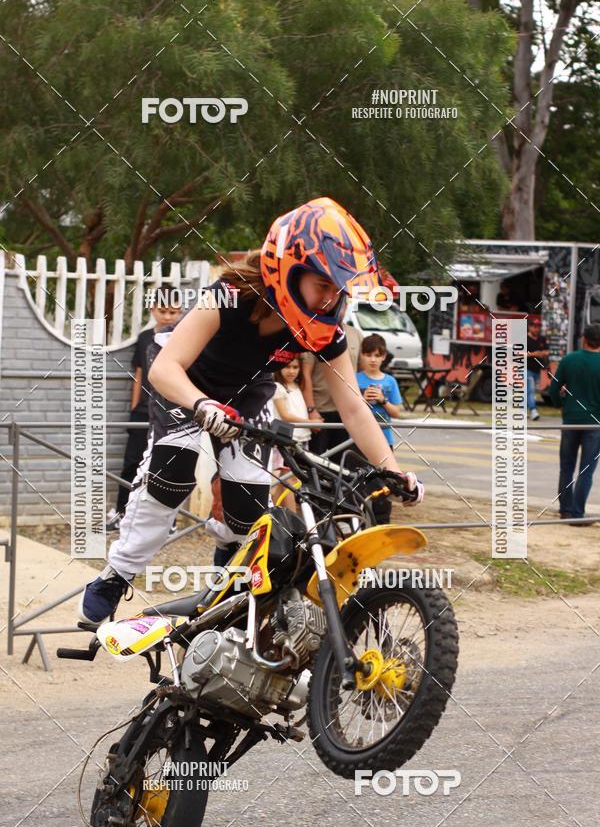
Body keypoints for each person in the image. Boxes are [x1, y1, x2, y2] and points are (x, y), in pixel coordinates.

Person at [79, 197, 424, 626]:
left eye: (339, 288)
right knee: (175, 469)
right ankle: (117, 574)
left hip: (246, 395)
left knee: (247, 502)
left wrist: (393, 471)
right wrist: (201, 404)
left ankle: (227, 574)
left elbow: (353, 406)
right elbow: (165, 368)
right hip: (186, 383)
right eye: (323, 285)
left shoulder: (325, 330)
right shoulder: (227, 297)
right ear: (288, 268)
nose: (330, 298)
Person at [106, 295, 182, 531]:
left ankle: (168, 521)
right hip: (143, 410)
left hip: (173, 411)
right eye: (163, 310)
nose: (167, 316)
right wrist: (134, 406)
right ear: (152, 309)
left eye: (173, 312)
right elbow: (138, 374)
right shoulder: (144, 338)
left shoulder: (184, 338)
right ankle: (121, 512)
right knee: (131, 462)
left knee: (168, 466)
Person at [550, 323, 600, 525]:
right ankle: (578, 514)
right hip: (595, 424)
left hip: (570, 420)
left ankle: (565, 510)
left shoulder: (569, 359)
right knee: (586, 470)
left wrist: (561, 405)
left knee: (566, 467)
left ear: (583, 339)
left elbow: (554, 388)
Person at [301, 321, 361, 457]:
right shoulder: (315, 331)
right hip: (320, 409)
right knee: (315, 460)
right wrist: (311, 409)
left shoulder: (355, 333)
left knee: (340, 462)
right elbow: (305, 374)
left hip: (345, 410)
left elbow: (361, 370)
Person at [270, 356, 311, 510]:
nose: (291, 371)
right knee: (289, 479)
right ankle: (292, 517)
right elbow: (285, 415)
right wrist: (311, 423)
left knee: (285, 480)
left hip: (300, 437)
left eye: (295, 367)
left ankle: (275, 515)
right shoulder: (278, 387)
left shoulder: (297, 386)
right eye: (287, 367)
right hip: (286, 438)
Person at [356, 334, 403, 447]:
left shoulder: (390, 381)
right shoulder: (354, 379)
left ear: (384, 356)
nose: (373, 359)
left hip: (384, 439)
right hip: (358, 440)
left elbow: (396, 413)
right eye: (368, 355)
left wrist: (383, 400)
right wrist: (363, 400)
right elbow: (348, 411)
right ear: (362, 355)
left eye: (377, 356)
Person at [526, 316, 549, 421]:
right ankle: (534, 410)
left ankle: (523, 411)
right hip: (526, 368)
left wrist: (542, 353)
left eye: (538, 327)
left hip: (537, 370)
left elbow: (547, 351)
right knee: (530, 390)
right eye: (534, 326)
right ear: (529, 327)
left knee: (529, 391)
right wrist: (533, 354)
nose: (536, 329)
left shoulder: (542, 339)